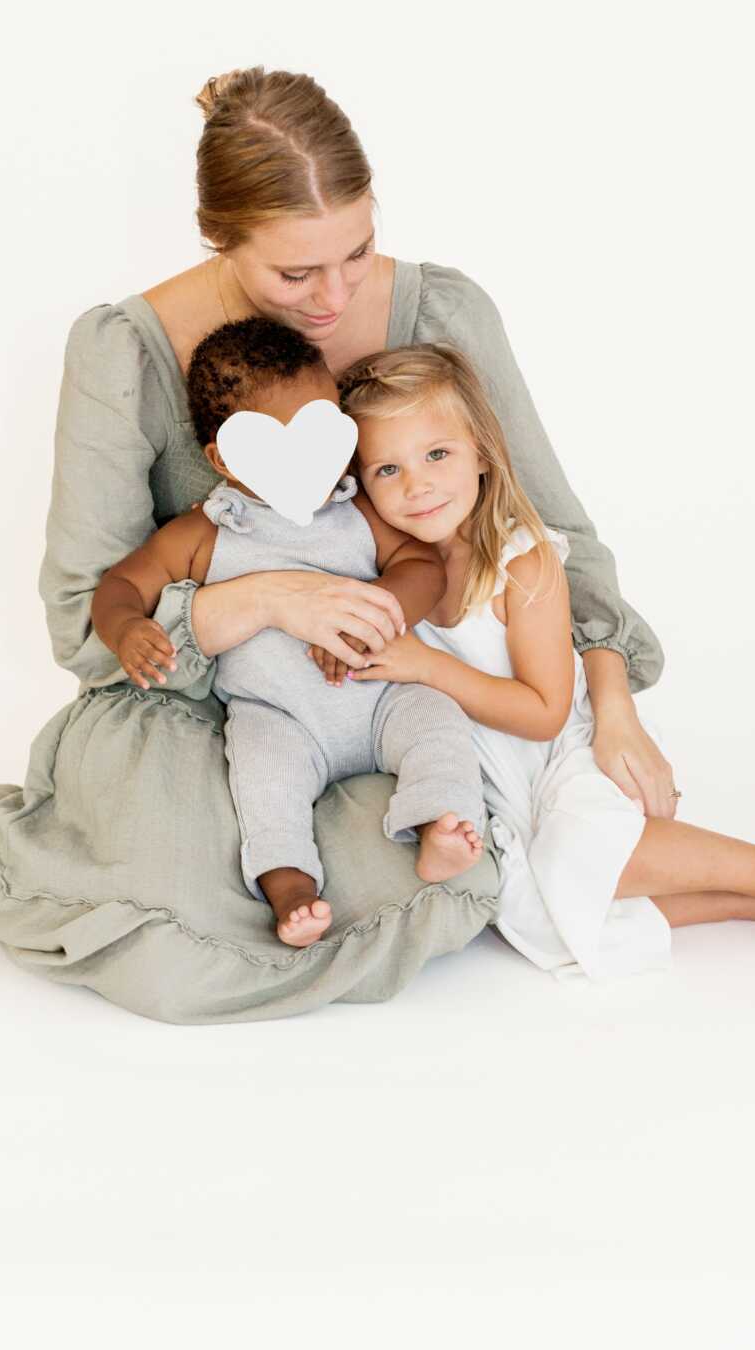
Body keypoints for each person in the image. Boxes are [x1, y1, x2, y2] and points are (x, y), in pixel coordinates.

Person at [0, 67, 671, 1023]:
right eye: (295, 272)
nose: (333, 297)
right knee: (176, 934)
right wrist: (273, 600)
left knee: (430, 862)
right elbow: (85, 619)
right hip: (204, 702)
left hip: (387, 685)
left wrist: (611, 704)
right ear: (219, 236)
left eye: (359, 252)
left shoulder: (444, 313)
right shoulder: (125, 354)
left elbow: (551, 526)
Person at [333, 343, 755, 978]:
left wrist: (425, 663)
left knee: (573, 851)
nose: (416, 485)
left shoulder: (521, 561)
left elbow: (546, 713)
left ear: (480, 451)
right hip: (503, 789)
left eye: (437, 454)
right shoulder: (386, 568)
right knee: (531, 915)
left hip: (563, 761)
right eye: (386, 471)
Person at [92, 315, 485, 946]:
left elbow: (422, 568)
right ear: (224, 457)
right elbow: (120, 584)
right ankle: (290, 885)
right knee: (261, 779)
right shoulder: (206, 532)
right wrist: (127, 627)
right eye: (286, 444)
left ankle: (441, 824)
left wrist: (377, 614)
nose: (316, 461)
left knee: (438, 725)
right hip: (279, 716)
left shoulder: (355, 509)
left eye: (326, 431)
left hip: (382, 692)